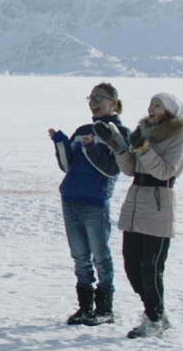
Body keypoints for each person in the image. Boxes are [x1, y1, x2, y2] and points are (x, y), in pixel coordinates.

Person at [93, 93, 183, 339]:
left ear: (169, 111)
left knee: (151, 267)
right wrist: (118, 145)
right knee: (131, 265)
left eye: (157, 105)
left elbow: (164, 171)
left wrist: (144, 148)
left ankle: (154, 318)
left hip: (159, 207)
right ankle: (156, 311)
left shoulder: (178, 137)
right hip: (136, 204)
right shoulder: (144, 132)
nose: (151, 108)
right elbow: (130, 169)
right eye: (150, 103)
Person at [48, 83, 127, 326]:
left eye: (99, 98)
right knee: (80, 257)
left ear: (113, 102)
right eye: (90, 98)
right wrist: (60, 142)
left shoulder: (119, 132)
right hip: (71, 200)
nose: (93, 102)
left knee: (100, 257)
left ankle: (105, 309)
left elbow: (112, 169)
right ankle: (85, 307)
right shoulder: (83, 129)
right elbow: (67, 166)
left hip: (95, 202)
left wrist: (91, 147)